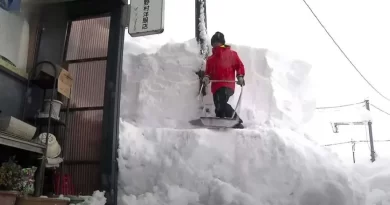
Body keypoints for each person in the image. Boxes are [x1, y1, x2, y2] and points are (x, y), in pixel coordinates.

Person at [202, 31, 245, 128]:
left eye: (218, 42)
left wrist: (240, 76)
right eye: (214, 43)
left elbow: (239, 66)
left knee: (221, 102)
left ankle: (236, 120)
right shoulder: (211, 59)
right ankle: (222, 123)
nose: (216, 44)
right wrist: (206, 78)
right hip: (216, 86)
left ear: (222, 43)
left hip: (227, 85)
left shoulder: (232, 54)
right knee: (218, 106)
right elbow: (208, 72)